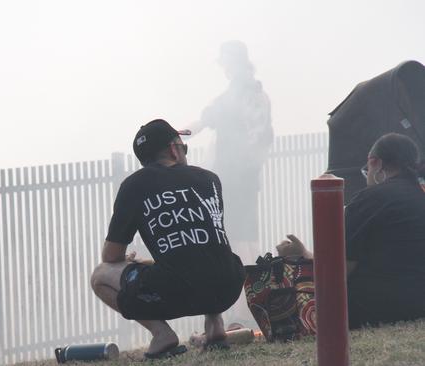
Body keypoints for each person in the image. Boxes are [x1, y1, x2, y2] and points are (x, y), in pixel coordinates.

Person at [90, 119, 245, 358]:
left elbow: (111, 257)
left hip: (177, 291)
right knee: (210, 255)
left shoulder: (134, 186)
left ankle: (162, 334)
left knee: (100, 276)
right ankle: (215, 327)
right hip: (229, 285)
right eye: (183, 147)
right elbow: (199, 247)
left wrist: (132, 265)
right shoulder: (209, 180)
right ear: (174, 149)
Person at [277, 133, 425, 328]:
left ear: (375, 163)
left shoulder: (370, 199)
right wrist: (305, 253)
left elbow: (338, 271)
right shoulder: (420, 195)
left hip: (379, 308)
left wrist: (298, 259)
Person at [186, 40, 273, 264]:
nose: (224, 69)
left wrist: (243, 169)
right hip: (236, 177)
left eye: (226, 63)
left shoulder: (248, 95)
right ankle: (247, 287)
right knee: (237, 235)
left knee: (238, 236)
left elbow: (258, 138)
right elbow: (209, 118)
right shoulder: (239, 94)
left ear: (235, 63)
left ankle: (247, 289)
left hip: (238, 179)